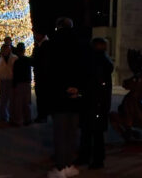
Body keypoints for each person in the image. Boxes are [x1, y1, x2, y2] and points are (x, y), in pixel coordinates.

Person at [47, 18, 87, 178]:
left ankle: (61, 167)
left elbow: (52, 70)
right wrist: (78, 87)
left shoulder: (54, 43)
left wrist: (62, 87)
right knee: (71, 133)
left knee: (60, 133)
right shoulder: (81, 42)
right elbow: (85, 68)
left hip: (59, 96)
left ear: (58, 27)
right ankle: (70, 164)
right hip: (76, 96)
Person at [75, 37, 113, 170]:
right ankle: (89, 157)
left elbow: (94, 84)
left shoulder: (98, 63)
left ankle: (95, 159)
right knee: (91, 132)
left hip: (94, 103)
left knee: (94, 133)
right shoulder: (101, 62)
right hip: (95, 103)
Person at [0, 44, 16, 122]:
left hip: (12, 81)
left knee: (12, 99)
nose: (5, 51)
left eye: (7, 49)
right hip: (3, 81)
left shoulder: (14, 58)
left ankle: (12, 116)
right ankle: (3, 116)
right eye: (4, 50)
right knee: (3, 99)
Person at [32, 31, 53, 123]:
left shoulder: (45, 45)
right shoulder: (39, 45)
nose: (35, 36)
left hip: (43, 76)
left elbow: (42, 61)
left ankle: (43, 115)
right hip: (42, 76)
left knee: (42, 97)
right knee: (42, 97)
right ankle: (43, 115)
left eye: (37, 34)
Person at [11, 43, 32, 126]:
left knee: (18, 103)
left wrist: (14, 85)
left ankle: (18, 120)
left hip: (19, 83)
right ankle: (28, 119)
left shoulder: (16, 62)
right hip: (27, 83)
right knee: (26, 102)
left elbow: (15, 74)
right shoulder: (28, 60)